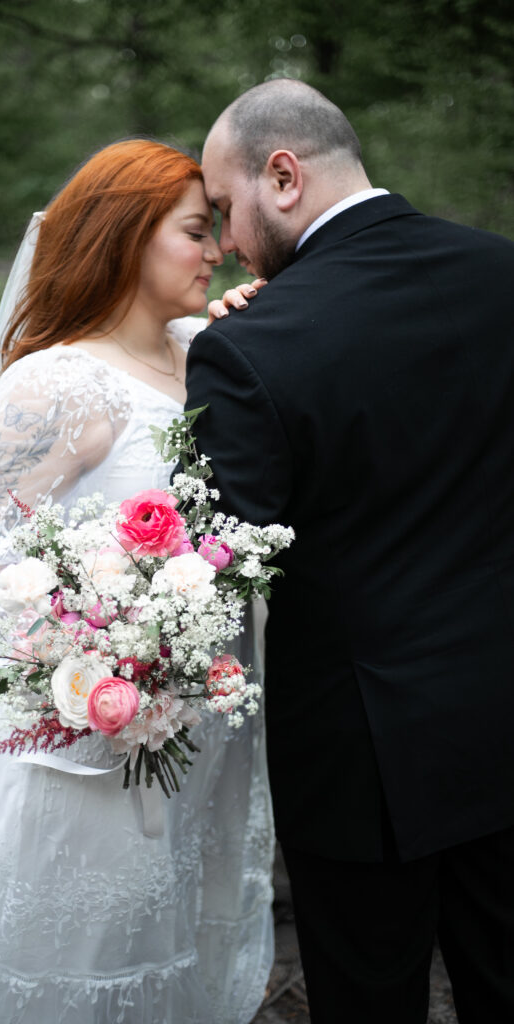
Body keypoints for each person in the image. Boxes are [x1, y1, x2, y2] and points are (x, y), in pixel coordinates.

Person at [0, 139, 275, 1024]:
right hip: (86, 729)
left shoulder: (203, 350)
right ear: (127, 235)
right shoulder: (59, 382)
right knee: (69, 967)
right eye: (194, 230)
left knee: (163, 951)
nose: (216, 247)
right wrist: (99, 661)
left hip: (187, 731)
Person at [185, 78, 514, 1023]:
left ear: (280, 175)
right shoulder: (501, 272)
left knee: (368, 998)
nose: (227, 246)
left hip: (360, 756)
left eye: (224, 209)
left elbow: (210, 563)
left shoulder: (252, 347)